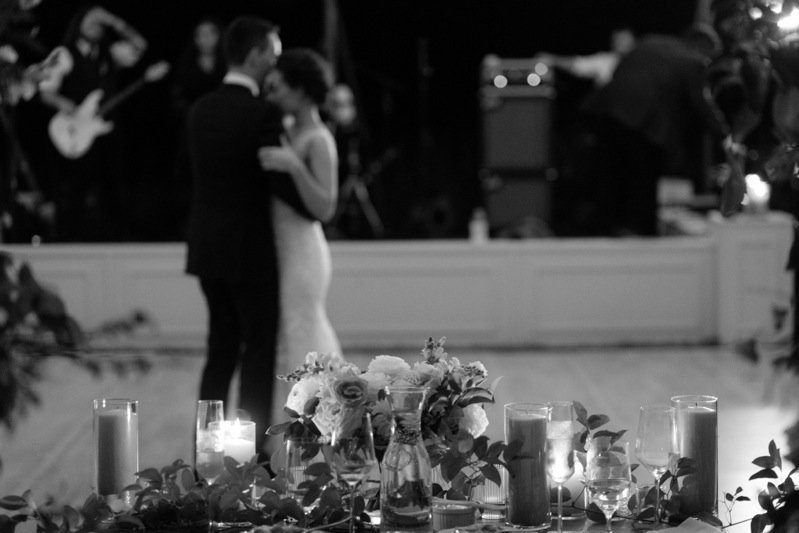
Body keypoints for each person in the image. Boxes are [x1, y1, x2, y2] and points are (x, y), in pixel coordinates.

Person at [184, 17, 317, 460]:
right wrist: (314, 208)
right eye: (273, 55)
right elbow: (278, 186)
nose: (275, 64)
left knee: (219, 351)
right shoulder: (261, 114)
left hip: (206, 250)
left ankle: (205, 456)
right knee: (257, 355)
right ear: (258, 54)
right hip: (251, 254)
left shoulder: (200, 109)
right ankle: (251, 461)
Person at [579, 23, 729, 236]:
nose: (708, 63)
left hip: (606, 112)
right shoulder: (693, 61)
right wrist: (724, 134)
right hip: (641, 123)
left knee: (609, 177)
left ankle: (602, 231)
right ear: (701, 47)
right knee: (643, 180)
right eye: (709, 57)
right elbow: (700, 104)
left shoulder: (650, 41)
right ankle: (644, 235)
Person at [257, 48, 341, 425]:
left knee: (302, 329)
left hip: (303, 250)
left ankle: (312, 424)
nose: (273, 93)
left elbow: (325, 206)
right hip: (278, 246)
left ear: (302, 91)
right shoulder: (288, 131)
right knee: (286, 335)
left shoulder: (319, 139)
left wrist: (294, 166)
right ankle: (291, 425)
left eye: (281, 87)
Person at [38, 5, 147, 241]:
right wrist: (66, 104)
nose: (96, 26)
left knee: (114, 185)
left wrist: (114, 20)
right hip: (75, 129)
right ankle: (67, 239)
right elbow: (46, 92)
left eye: (100, 23)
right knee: (75, 188)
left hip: (104, 129)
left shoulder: (110, 52)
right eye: (91, 21)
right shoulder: (63, 54)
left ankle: (117, 239)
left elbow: (140, 46)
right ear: (79, 24)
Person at [171, 17, 226, 238]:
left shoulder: (226, 64)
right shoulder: (187, 65)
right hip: (192, 131)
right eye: (200, 35)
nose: (205, 40)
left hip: (221, 130)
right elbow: (177, 99)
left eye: (210, 33)